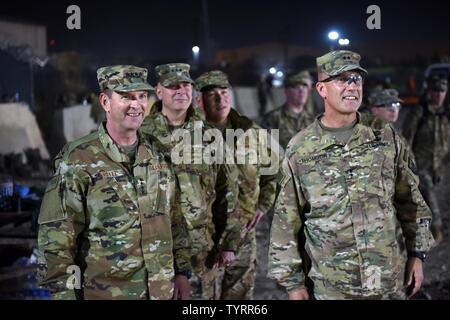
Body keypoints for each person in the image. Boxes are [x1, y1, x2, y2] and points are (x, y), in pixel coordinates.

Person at [268, 50, 435, 300]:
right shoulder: (301, 148)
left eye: (356, 79)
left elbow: (411, 201)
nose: (352, 86)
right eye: (341, 79)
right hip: (332, 287)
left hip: (387, 280)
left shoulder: (384, 135)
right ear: (321, 89)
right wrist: (293, 284)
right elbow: (286, 221)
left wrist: (417, 254)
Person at [37, 65, 192, 300]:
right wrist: (64, 295)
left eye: (141, 96)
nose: (136, 105)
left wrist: (182, 272)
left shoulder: (159, 153)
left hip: (161, 292)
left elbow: (176, 218)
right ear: (105, 102)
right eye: (126, 97)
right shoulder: (78, 159)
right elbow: (56, 238)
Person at [140, 63, 240, 300]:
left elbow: (228, 189)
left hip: (200, 250)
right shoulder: (141, 134)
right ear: (159, 91)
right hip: (153, 250)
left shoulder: (209, 136)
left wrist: (229, 242)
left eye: (186, 85)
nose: (181, 91)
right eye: (172, 86)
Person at [195, 70, 279, 299]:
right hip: (204, 239)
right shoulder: (190, 137)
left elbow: (275, 172)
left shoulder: (252, 133)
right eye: (212, 95)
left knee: (239, 299)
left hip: (243, 235)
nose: (220, 100)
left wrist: (263, 205)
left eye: (224, 93)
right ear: (199, 100)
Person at [402, 75, 450, 243]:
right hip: (421, 164)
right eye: (435, 91)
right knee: (428, 193)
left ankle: (421, 229)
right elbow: (406, 139)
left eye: (442, 91)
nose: (438, 95)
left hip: (440, 166)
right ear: (429, 92)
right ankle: (436, 228)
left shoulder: (447, 113)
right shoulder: (419, 112)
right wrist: (410, 163)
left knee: (429, 199)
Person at [261, 70, 315, 150]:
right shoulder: (273, 119)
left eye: (304, 87)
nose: (301, 91)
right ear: (286, 91)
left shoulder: (313, 121)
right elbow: (267, 150)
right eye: (296, 87)